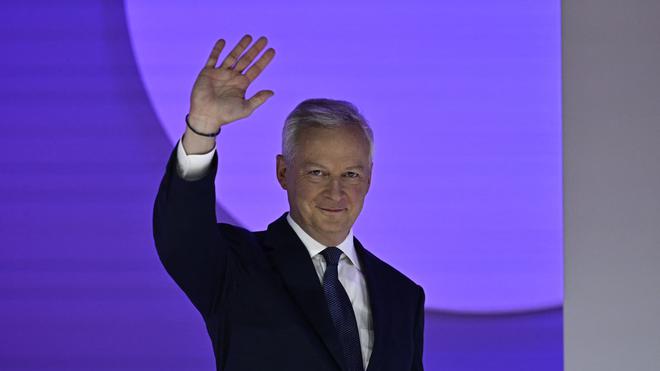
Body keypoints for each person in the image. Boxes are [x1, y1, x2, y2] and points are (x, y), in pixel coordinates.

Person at [153, 35, 425, 371]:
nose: (335, 192)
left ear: (369, 178)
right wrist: (202, 127)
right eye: (317, 172)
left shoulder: (402, 296)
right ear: (283, 172)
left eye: (351, 175)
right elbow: (181, 236)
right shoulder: (237, 267)